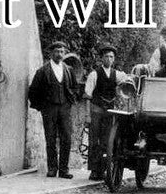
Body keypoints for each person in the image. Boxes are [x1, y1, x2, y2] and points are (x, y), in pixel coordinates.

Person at [26, 41, 83, 179]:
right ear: (51, 53)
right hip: (49, 108)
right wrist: (41, 107)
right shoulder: (43, 71)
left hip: (64, 108)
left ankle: (64, 170)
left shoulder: (68, 70)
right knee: (50, 139)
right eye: (57, 51)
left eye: (62, 51)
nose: (59, 54)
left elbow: (76, 87)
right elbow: (33, 91)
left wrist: (71, 100)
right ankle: (52, 168)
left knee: (67, 138)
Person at [84, 45, 131, 181]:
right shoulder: (94, 74)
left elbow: (127, 83)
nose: (109, 59)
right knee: (94, 140)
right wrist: (87, 115)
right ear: (101, 58)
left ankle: (103, 170)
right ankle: (93, 171)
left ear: (114, 59)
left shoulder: (117, 74)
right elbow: (87, 95)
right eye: (106, 56)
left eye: (111, 57)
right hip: (96, 110)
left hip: (110, 111)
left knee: (107, 141)